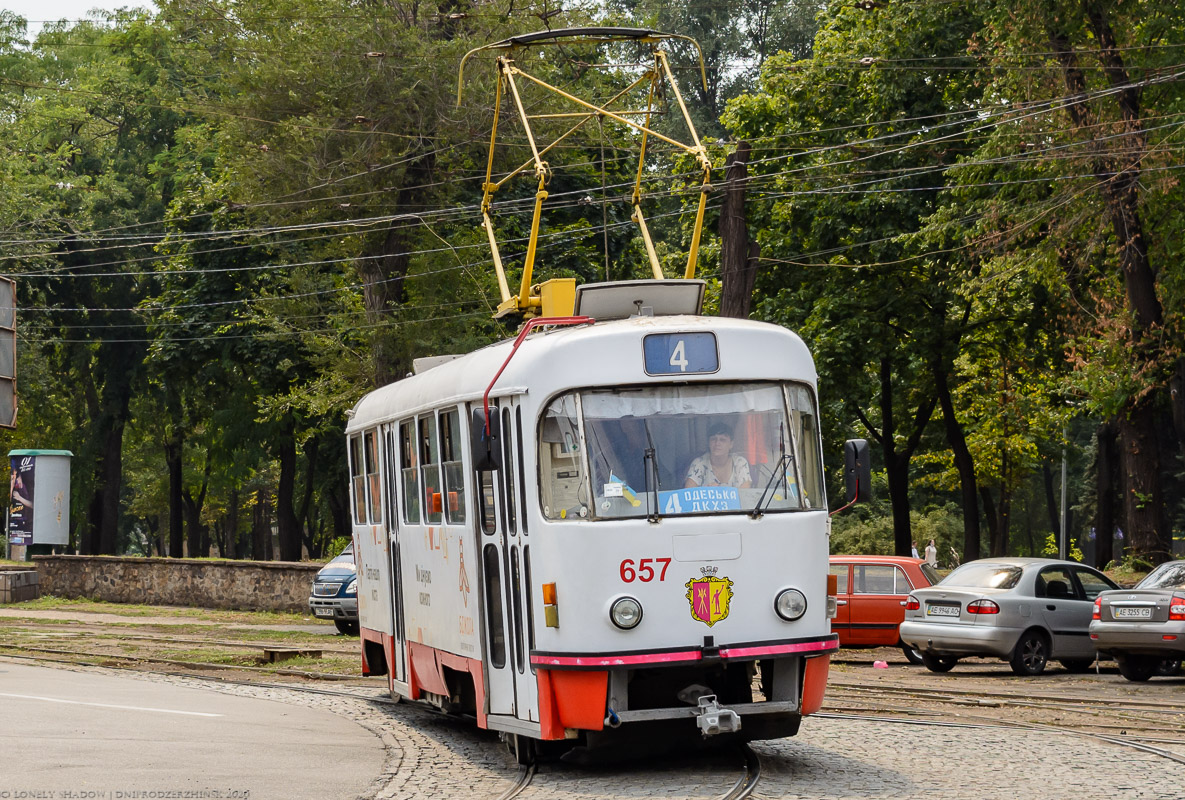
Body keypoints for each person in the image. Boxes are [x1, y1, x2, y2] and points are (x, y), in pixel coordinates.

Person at [684, 422, 752, 489]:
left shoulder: (740, 462)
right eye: (713, 439)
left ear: (731, 444)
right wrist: (705, 490)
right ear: (708, 443)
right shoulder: (699, 463)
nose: (717, 443)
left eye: (722, 440)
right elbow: (688, 494)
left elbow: (745, 494)